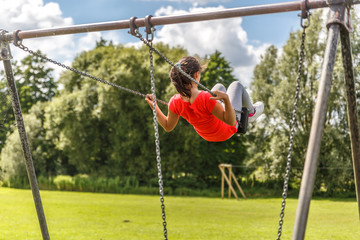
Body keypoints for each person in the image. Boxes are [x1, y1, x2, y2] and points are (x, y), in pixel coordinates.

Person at [145, 56, 264, 142]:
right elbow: (231, 122)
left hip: (207, 135)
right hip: (226, 130)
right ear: (196, 75)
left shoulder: (174, 102)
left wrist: (154, 106)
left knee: (219, 87)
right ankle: (251, 114)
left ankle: (227, 106)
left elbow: (167, 126)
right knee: (236, 85)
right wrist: (227, 100)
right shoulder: (206, 98)